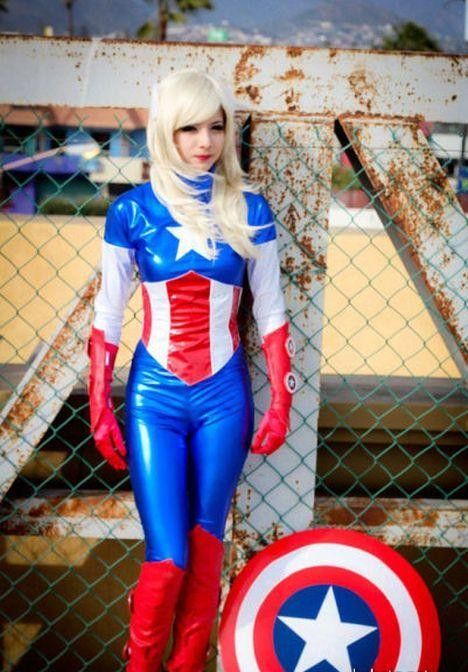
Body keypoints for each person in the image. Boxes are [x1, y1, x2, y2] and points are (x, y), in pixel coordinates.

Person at [88, 69, 296, 672]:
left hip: (224, 401)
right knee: (169, 558)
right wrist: (99, 405)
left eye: (215, 127)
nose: (204, 142)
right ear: (164, 131)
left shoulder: (250, 210)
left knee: (206, 550)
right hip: (153, 399)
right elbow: (108, 315)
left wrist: (281, 400)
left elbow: (273, 312)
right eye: (188, 129)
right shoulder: (131, 212)